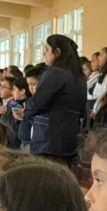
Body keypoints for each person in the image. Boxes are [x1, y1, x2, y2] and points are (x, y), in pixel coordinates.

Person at [25, 34, 88, 163]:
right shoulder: (80, 77)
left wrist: (26, 112)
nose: (44, 53)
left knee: (44, 172)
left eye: (47, 50)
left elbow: (38, 102)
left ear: (57, 52)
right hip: (70, 136)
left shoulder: (55, 72)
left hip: (48, 138)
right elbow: (82, 110)